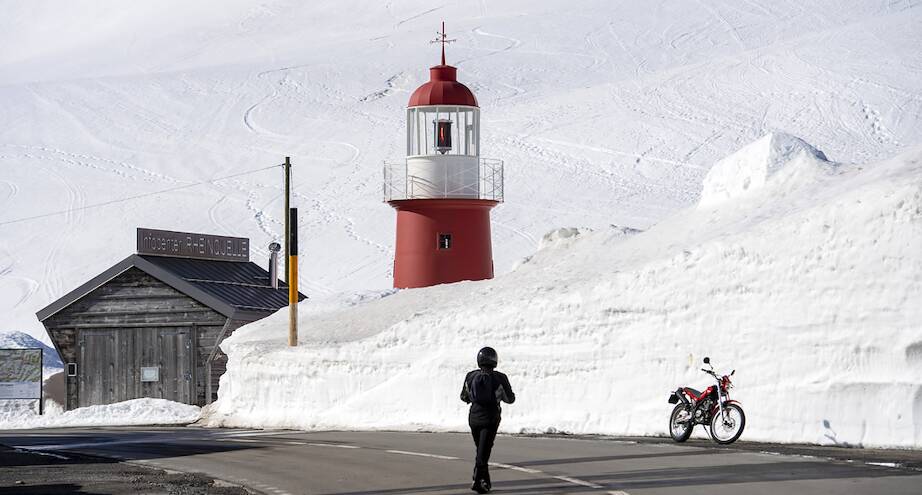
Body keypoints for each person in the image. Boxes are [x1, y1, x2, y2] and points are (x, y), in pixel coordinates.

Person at [460, 346, 515, 494]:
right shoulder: (500, 377)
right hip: (491, 418)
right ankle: (477, 480)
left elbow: (463, 397)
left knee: (481, 450)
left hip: (474, 418)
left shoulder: (470, 376)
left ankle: (484, 481)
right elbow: (510, 399)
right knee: (484, 451)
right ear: (494, 360)